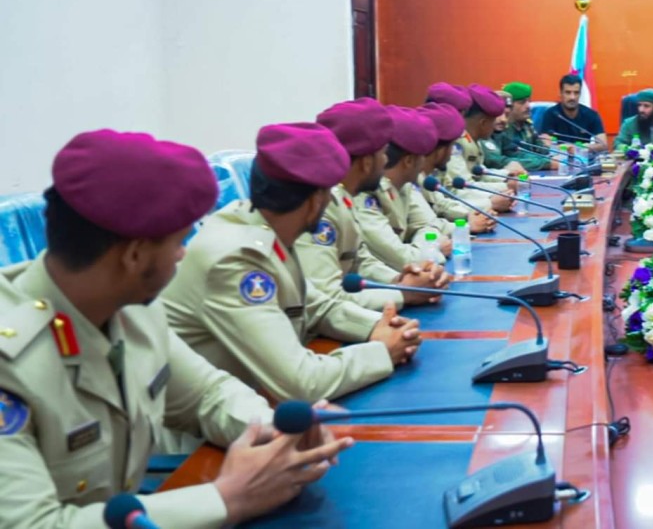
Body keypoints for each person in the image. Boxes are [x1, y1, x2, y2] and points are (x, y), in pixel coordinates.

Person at [0, 130, 350, 527]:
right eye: (179, 242)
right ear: (134, 254)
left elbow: (206, 395)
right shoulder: (10, 358)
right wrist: (225, 498)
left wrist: (274, 430)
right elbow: (31, 524)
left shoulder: (132, 311)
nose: (185, 254)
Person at [161, 122, 423, 403]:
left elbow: (318, 306)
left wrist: (379, 328)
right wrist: (381, 352)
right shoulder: (235, 258)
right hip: (207, 441)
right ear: (314, 203)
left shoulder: (262, 227)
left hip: (258, 406)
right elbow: (302, 382)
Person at [295, 98, 448, 312]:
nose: (386, 161)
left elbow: (360, 261)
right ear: (367, 163)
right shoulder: (321, 206)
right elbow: (325, 297)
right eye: (382, 153)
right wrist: (403, 293)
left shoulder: (341, 197)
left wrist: (402, 279)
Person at [356, 106, 451, 270]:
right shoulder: (366, 194)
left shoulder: (403, 186)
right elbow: (404, 260)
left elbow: (430, 226)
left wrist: (429, 245)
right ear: (409, 162)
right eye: (422, 157)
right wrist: (434, 247)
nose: (424, 164)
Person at [414, 103, 497, 235]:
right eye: (452, 146)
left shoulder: (425, 173)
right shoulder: (409, 178)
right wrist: (465, 226)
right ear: (440, 151)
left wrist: (469, 215)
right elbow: (426, 222)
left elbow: (440, 203)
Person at [430, 84, 516, 211]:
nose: (462, 120)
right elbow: (454, 190)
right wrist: (491, 200)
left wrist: (506, 179)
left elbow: (477, 174)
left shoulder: (466, 138)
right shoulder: (444, 143)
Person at [538, 74, 607, 153]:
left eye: (576, 93)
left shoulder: (591, 115)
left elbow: (603, 144)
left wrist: (583, 148)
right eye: (568, 92)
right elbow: (545, 143)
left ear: (580, 94)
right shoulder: (551, 114)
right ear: (560, 93)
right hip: (559, 159)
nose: (572, 97)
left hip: (583, 158)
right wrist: (565, 148)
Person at [494, 82, 551, 171]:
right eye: (522, 102)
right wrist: (546, 163)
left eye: (529, 101)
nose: (528, 106)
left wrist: (548, 149)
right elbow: (505, 159)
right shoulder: (500, 129)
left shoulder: (527, 125)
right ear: (510, 105)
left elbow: (540, 150)